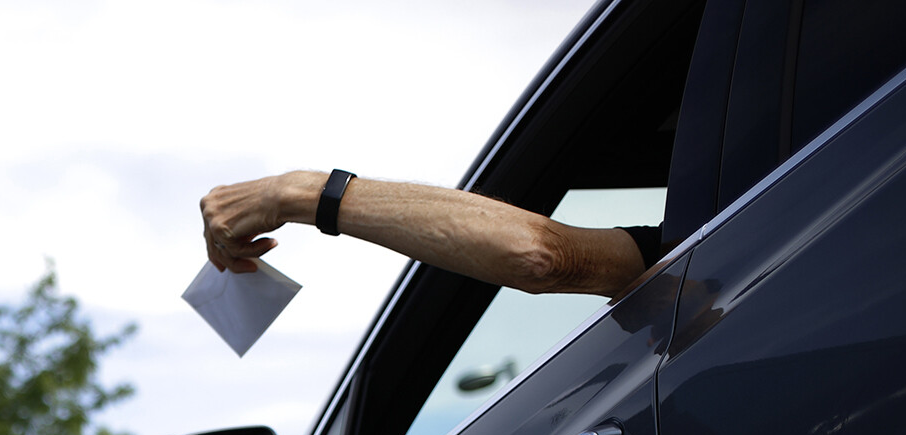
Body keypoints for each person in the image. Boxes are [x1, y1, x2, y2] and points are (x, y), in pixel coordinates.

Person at [200, 169, 667, 300]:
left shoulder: (719, 241)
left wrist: (299, 195)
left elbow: (536, 253)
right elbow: (543, 255)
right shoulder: (689, 246)